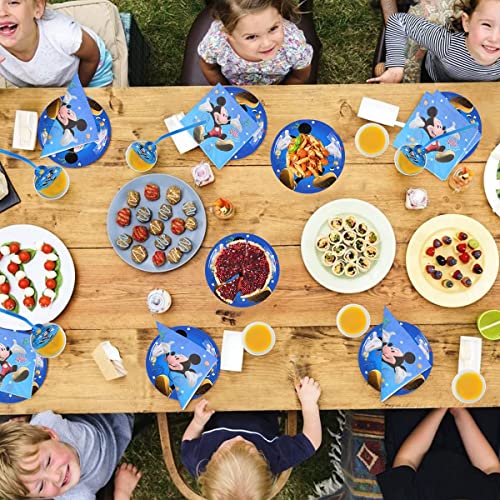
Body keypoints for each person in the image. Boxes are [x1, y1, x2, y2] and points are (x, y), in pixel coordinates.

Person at [181, 376, 322, 499]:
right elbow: (311, 442)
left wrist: (197, 423)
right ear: (265, 466)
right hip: (264, 394)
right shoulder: (275, 458)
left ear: (210, 464)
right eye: (249, 448)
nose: (238, 438)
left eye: (227, 447)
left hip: (216, 395)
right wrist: (309, 404)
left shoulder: (196, 460)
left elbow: (187, 441)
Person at [0, 412, 142, 499]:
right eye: (41, 486)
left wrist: (25, 416)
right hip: (122, 427)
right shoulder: (77, 496)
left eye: (48, 462)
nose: (56, 477)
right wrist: (122, 492)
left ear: (50, 433)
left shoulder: (46, 421)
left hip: (99, 404)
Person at [377, 407, 500, 499]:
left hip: (417, 449)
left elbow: (407, 458)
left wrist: (440, 408)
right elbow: (489, 467)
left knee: (405, 396)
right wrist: (459, 411)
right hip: (472, 450)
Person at [367, 0, 500, 83]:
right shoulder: (446, 45)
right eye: (487, 25)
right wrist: (396, 67)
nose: (495, 39)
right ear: (467, 22)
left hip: (478, 93)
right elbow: (398, 21)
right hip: (434, 81)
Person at [0, 0, 113, 87]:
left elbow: (92, 56)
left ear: (38, 8)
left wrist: (75, 90)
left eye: (13, 2)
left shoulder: (64, 35)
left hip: (90, 70)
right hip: (48, 80)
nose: (2, 13)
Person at [197, 0, 313, 85]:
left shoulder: (294, 45)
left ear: (280, 15)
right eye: (252, 37)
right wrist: (227, 91)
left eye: (273, 29)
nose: (267, 43)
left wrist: (281, 96)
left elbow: (300, 75)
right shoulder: (216, 43)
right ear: (228, 35)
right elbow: (209, 68)